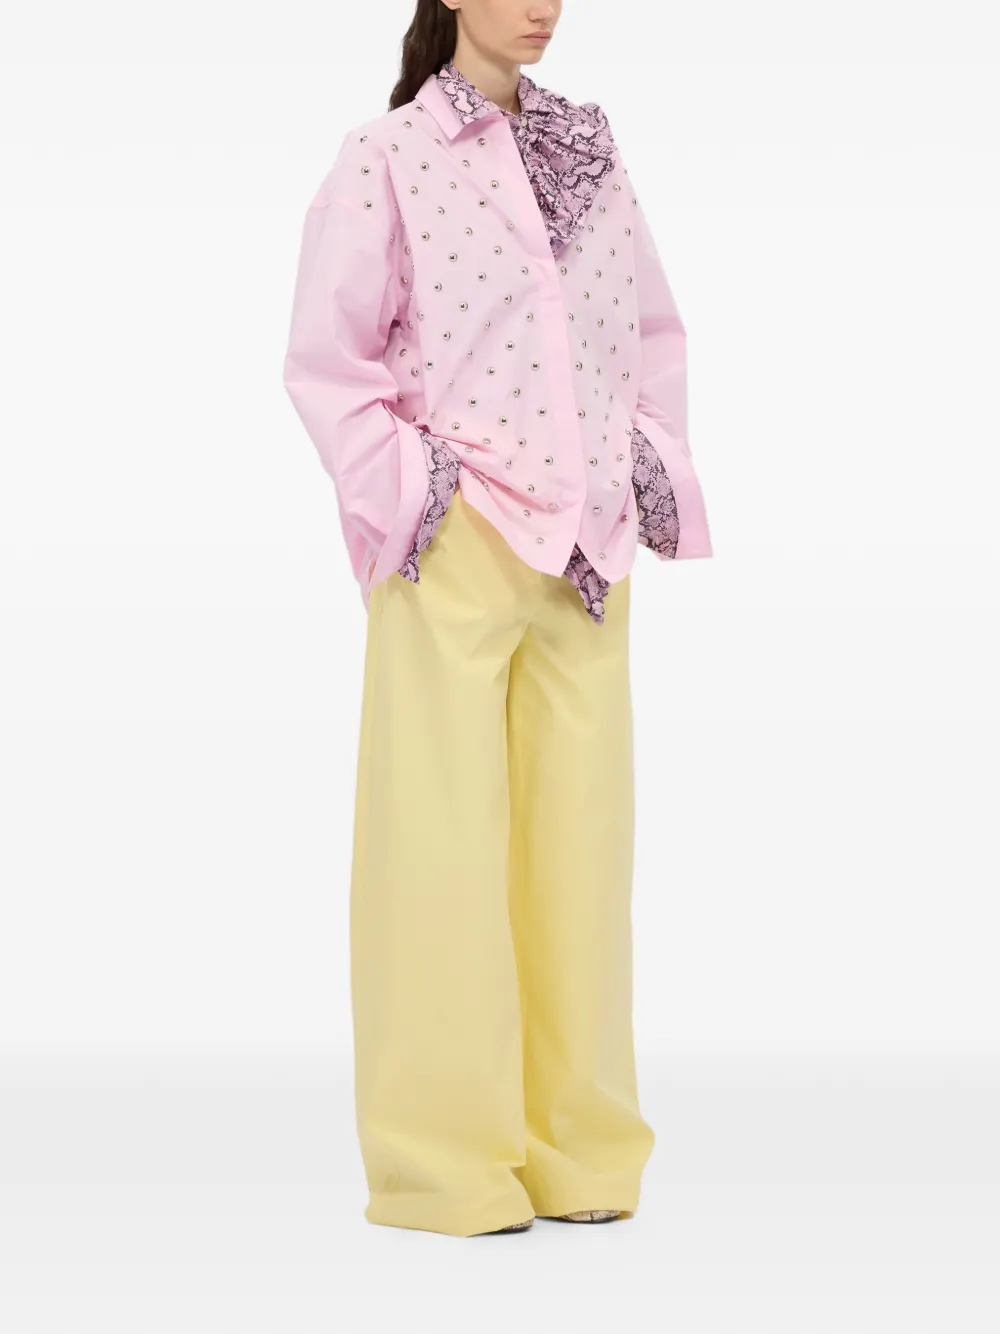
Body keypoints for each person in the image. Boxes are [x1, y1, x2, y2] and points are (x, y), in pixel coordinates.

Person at [281, 0, 712, 1238]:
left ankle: (578, 1151)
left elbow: (648, 329)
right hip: (456, 539)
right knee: (438, 852)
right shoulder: (387, 156)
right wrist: (417, 493)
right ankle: (443, 1163)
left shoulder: (587, 145)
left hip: (586, 549)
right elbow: (329, 359)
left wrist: (637, 462)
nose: (541, 7)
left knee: (581, 853)